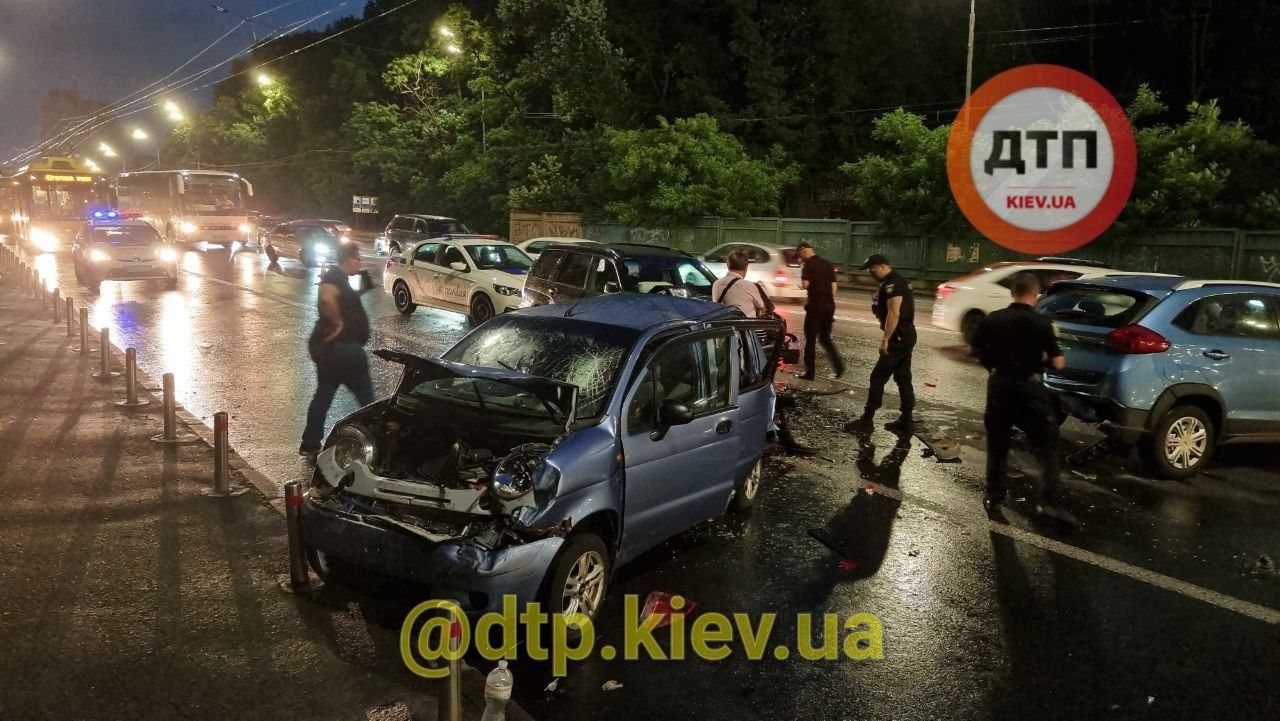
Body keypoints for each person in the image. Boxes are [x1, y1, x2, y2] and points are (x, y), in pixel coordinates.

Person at [971, 271, 1077, 525]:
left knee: (998, 444)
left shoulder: (993, 319)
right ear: (1036, 295)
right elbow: (1059, 362)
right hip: (1030, 390)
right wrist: (1042, 358)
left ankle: (995, 497)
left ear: (1012, 292)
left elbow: (973, 350)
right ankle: (1048, 503)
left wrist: (994, 366)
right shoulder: (1041, 323)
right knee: (1047, 445)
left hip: (999, 387)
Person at [300, 243, 375, 460]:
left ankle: (310, 443)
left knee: (323, 396)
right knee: (368, 399)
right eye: (358, 258)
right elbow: (327, 297)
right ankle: (375, 439)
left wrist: (361, 291)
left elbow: (341, 300)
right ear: (348, 259)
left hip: (334, 352)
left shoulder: (340, 279)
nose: (360, 262)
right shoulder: (333, 276)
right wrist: (338, 323)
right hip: (345, 350)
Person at [847, 254, 917, 431]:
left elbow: (894, 312)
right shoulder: (897, 281)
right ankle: (906, 419)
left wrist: (886, 339)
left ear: (881, 266)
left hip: (898, 336)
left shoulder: (894, 283)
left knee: (878, 377)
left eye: (872, 270)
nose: (871, 274)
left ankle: (867, 420)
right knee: (903, 376)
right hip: (906, 334)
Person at [796, 241, 844, 380]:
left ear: (804, 251)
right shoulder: (828, 264)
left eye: (799, 255)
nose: (800, 258)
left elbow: (806, 284)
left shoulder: (808, 266)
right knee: (825, 338)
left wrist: (802, 287)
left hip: (815, 306)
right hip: (829, 305)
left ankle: (809, 373)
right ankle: (839, 367)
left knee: (810, 340)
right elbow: (834, 287)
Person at [711, 250, 767, 317]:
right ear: (746, 267)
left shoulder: (716, 284)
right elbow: (762, 307)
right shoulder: (749, 285)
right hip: (745, 326)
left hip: (724, 325)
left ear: (727, 265)